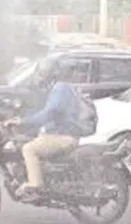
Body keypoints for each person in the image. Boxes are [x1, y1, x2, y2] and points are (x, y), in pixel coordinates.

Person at [14, 57, 83, 198]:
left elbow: (47, 114)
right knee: (28, 139)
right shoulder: (61, 87)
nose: (39, 78)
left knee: (28, 149)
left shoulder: (60, 89)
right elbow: (45, 112)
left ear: (48, 74)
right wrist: (22, 120)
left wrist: (22, 122)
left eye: (41, 74)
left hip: (64, 137)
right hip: (61, 133)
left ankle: (35, 184)